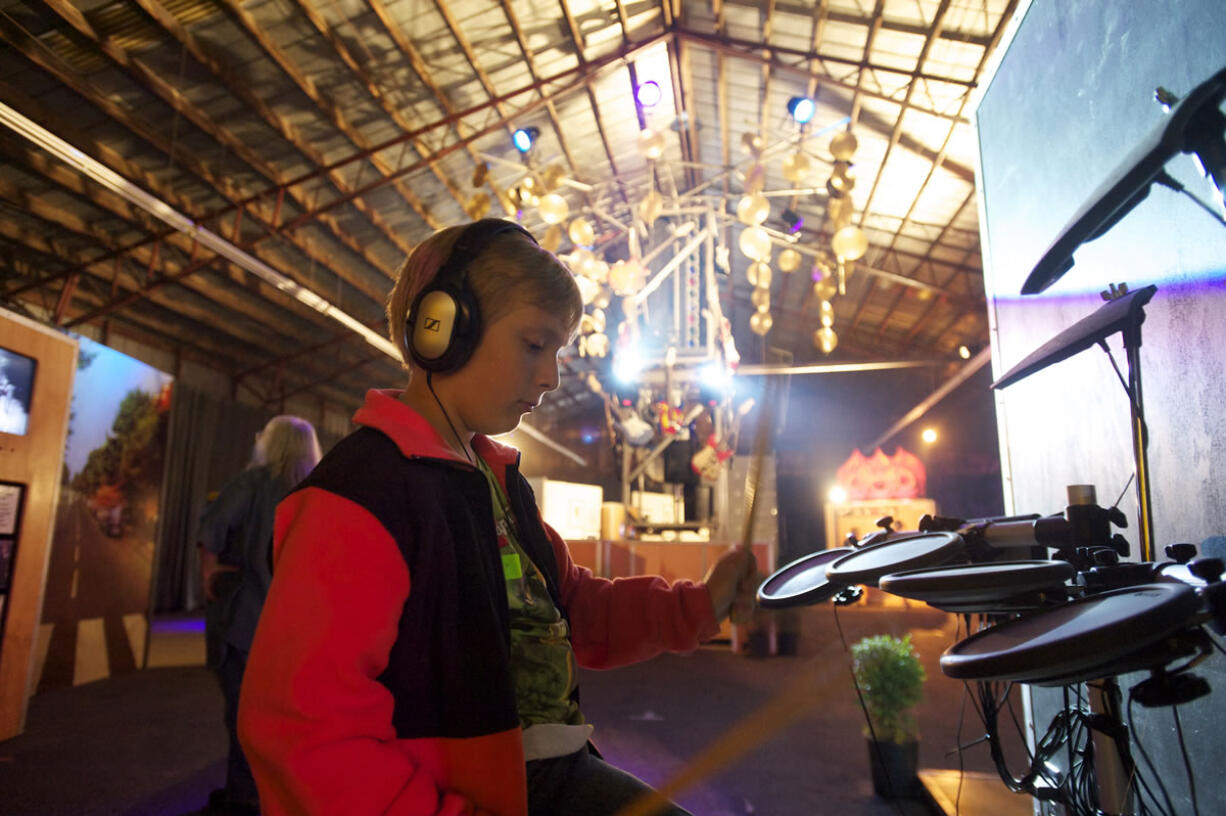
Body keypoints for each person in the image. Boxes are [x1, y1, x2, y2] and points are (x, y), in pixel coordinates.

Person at [237, 219, 757, 816]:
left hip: (547, 774)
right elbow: (301, 730)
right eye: (535, 345)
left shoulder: (495, 481)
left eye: (557, 351)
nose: (552, 375)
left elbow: (572, 607)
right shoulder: (363, 494)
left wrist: (701, 604)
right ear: (443, 329)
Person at [198, 415, 322, 815]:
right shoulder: (322, 490)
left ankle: (244, 797)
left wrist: (209, 571)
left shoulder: (251, 482)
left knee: (243, 713)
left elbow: (212, 530)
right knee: (290, 718)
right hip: (302, 629)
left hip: (247, 621)